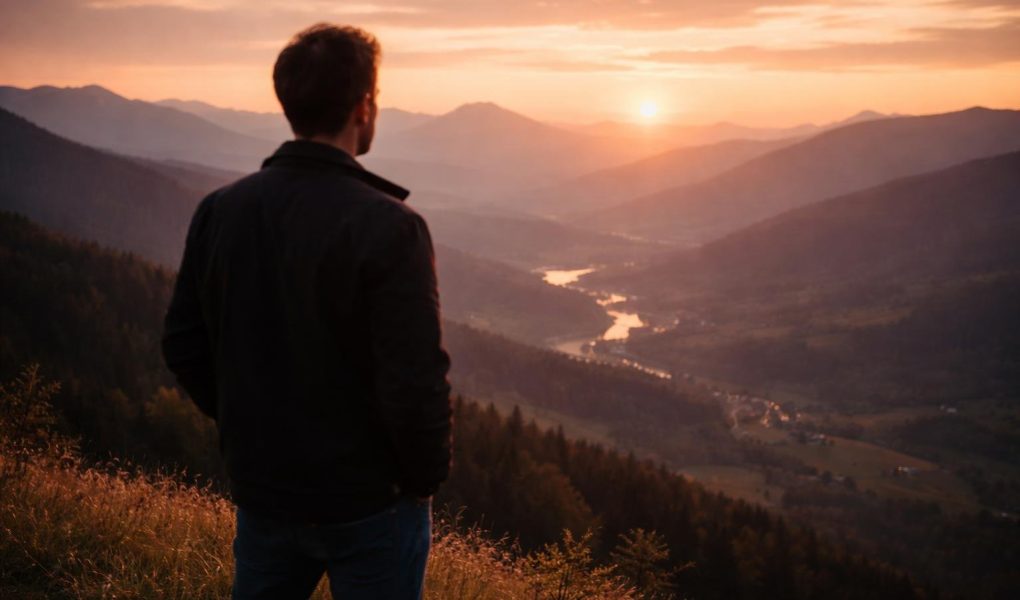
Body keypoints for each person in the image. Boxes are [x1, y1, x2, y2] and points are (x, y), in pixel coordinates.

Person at [161, 23, 452, 600]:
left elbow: (184, 345)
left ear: (288, 103)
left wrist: (251, 427)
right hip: (371, 504)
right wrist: (421, 481)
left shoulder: (220, 211)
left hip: (265, 492)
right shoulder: (391, 227)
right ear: (363, 106)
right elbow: (415, 383)